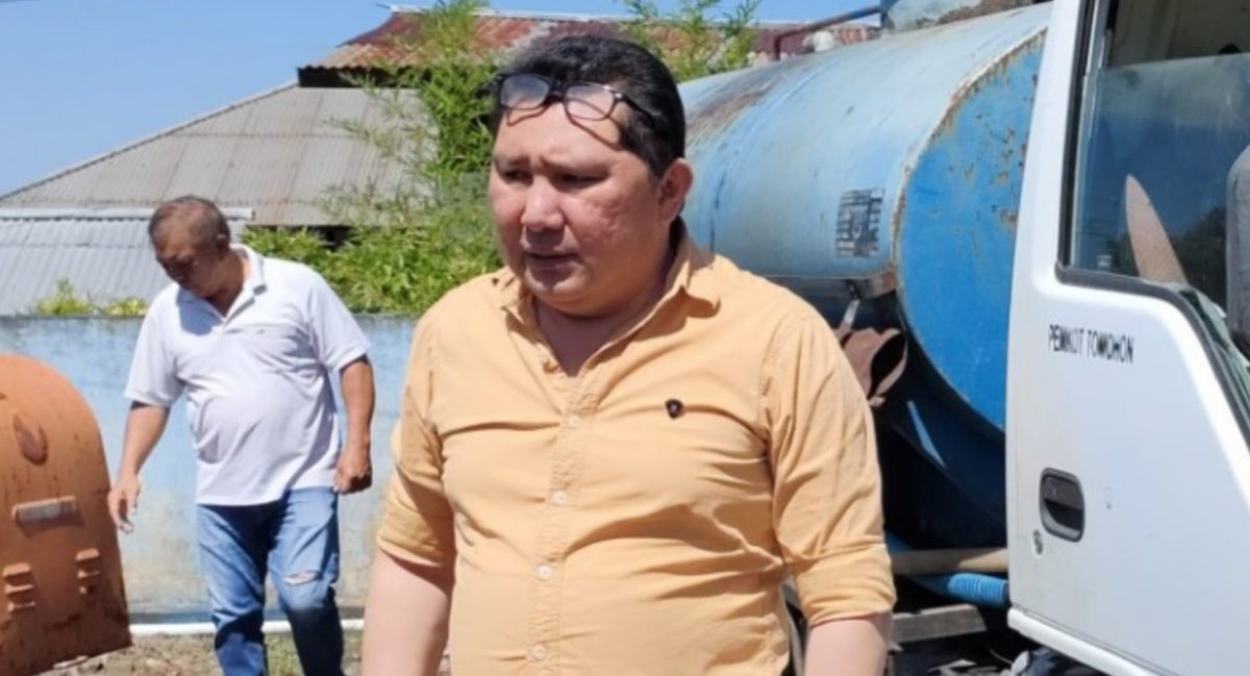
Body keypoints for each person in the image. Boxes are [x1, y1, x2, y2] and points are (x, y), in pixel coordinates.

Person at [362, 36, 894, 675]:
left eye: (576, 179)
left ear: (670, 190)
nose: (535, 214)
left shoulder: (776, 342)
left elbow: (845, 594)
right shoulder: (457, 332)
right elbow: (418, 556)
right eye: (513, 174)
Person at [107, 195, 375, 676]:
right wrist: (128, 470)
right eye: (165, 265)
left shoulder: (296, 286)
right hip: (221, 493)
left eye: (184, 262)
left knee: (306, 598)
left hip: (305, 480)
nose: (176, 275)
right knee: (233, 618)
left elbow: (351, 361)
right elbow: (151, 398)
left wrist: (357, 445)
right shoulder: (168, 312)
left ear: (221, 243)